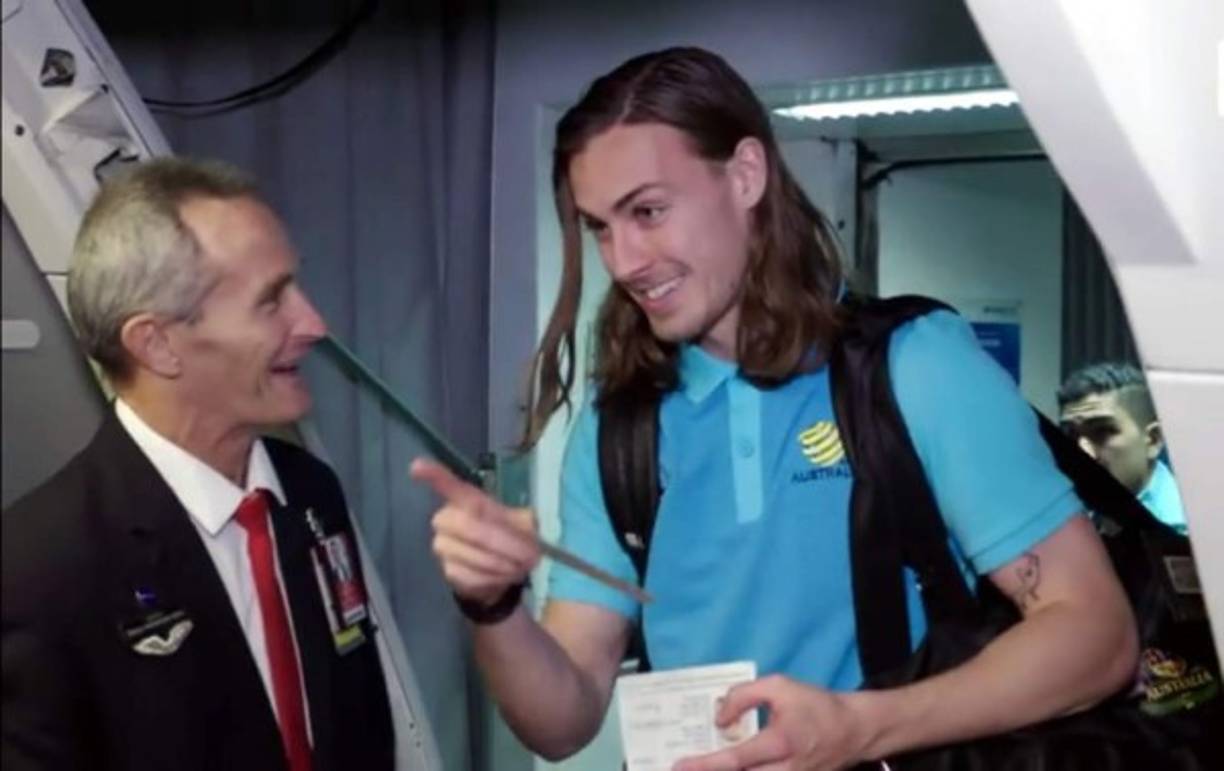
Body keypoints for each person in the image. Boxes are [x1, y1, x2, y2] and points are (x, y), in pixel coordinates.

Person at [411, 47, 1138, 769]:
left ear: (746, 175)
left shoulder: (917, 364)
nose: (623, 260)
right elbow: (561, 722)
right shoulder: (617, 425)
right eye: (600, 226)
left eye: (649, 211)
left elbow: (1096, 634)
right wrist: (494, 604)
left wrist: (861, 726)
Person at [2, 158, 435, 771]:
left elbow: (362, 732)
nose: (313, 324)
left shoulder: (310, 495)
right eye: (271, 301)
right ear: (158, 344)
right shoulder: (37, 568)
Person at [1058, 361, 1187, 533]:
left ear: (1153, 440)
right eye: (1070, 435)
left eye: (1103, 430)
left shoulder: (1199, 531)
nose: (1083, 452)